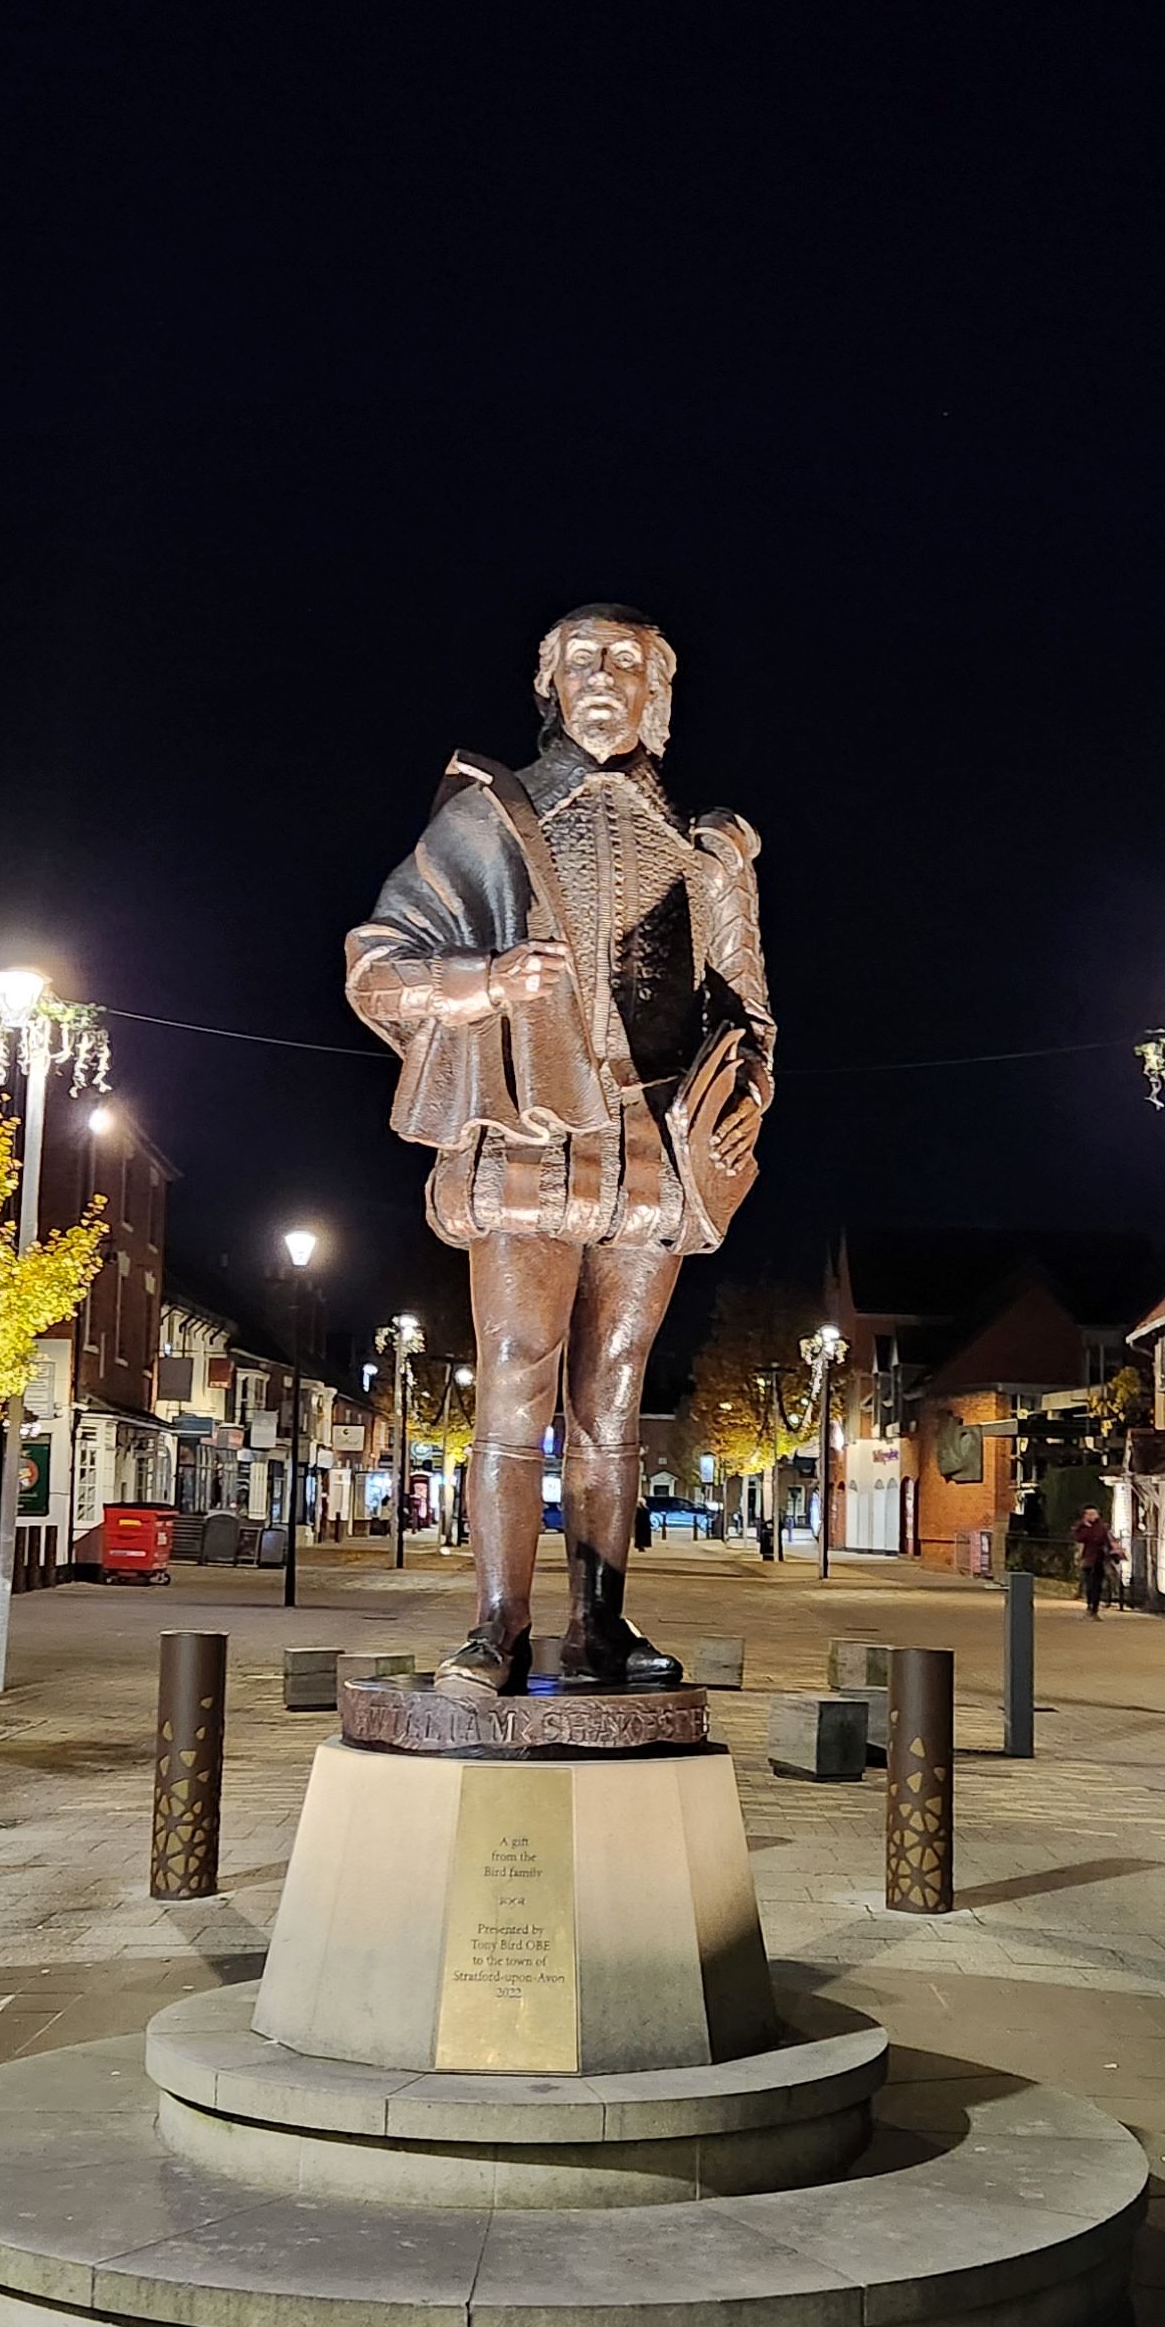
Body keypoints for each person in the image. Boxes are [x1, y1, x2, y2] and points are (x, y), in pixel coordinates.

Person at [347, 605, 774, 1699]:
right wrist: (480, 982)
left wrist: (749, 1087)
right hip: (528, 1128)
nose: (602, 678)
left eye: (627, 663)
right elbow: (373, 967)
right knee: (512, 1380)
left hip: (653, 1144)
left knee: (616, 1393)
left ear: (659, 698)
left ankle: (601, 1623)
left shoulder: (709, 847)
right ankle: (497, 1626)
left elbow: (748, 1006)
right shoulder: (487, 820)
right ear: (548, 683)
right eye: (581, 659)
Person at [1072, 1502, 1115, 1618]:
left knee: (1098, 1584)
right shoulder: (1082, 1527)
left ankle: (1094, 1608)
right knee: (1089, 1583)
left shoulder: (1102, 1527)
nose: (1092, 1516)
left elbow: (1107, 1540)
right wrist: (1083, 1526)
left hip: (1100, 1558)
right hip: (1088, 1558)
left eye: (1094, 1514)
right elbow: (1078, 1538)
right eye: (1089, 1514)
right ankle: (1090, 1605)